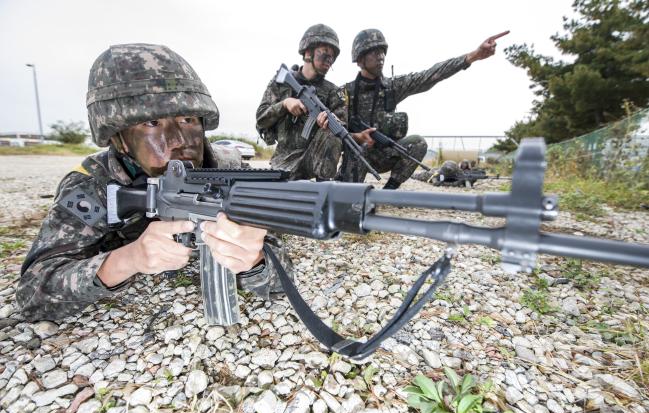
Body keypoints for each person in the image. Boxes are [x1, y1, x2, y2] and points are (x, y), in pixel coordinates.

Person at [17, 43, 291, 320]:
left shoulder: (228, 170)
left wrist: (253, 261)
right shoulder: (94, 185)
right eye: (151, 124)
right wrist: (129, 259)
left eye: (187, 119)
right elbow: (32, 295)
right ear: (118, 137)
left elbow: (281, 277)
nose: (179, 141)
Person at [340, 29, 509, 189]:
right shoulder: (345, 93)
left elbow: (431, 74)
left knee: (418, 143)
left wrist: (473, 56)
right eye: (374, 52)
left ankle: (387, 192)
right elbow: (332, 130)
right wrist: (357, 137)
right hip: (357, 155)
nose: (381, 57)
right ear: (360, 59)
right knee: (346, 196)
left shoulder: (391, 87)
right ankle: (344, 189)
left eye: (382, 52)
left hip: (384, 154)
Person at [256, 24, 350, 181]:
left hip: (313, 158)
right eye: (325, 54)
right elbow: (261, 119)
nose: (329, 60)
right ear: (308, 52)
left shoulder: (334, 92)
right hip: (284, 160)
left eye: (332, 57)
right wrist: (285, 104)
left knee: (332, 130)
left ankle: (323, 190)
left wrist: (330, 120)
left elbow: (342, 128)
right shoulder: (281, 83)